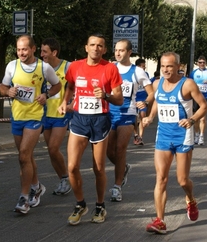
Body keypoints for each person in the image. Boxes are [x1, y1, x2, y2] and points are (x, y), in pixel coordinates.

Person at [57, 34, 123, 225]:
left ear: (104, 50)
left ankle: (100, 205)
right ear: (86, 47)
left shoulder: (110, 69)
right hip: (79, 119)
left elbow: (119, 99)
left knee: (99, 168)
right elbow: (69, 86)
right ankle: (80, 204)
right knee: (72, 167)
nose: (96, 48)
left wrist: (106, 95)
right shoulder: (75, 67)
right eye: (92, 45)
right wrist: (65, 102)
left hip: (100, 121)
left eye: (100, 46)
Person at [143, 52, 207, 234]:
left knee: (182, 180)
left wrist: (192, 120)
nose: (165, 69)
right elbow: (157, 100)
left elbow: (204, 106)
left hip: (183, 136)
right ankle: (160, 220)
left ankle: (191, 199)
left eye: (169, 66)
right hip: (163, 136)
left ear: (178, 67)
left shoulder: (187, 84)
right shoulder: (157, 83)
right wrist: (150, 117)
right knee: (161, 178)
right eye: (163, 66)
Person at [0, 35, 62, 214]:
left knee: (24, 155)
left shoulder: (44, 68)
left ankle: (24, 198)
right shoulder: (12, 65)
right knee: (25, 157)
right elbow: (2, 87)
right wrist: (7, 91)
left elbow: (57, 86)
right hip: (17, 116)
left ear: (33, 49)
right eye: (19, 50)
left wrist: (46, 95)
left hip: (35, 117)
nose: (21, 53)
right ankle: (37, 186)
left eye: (25, 49)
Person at [107, 39, 153, 202]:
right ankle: (124, 167)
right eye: (116, 50)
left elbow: (151, 92)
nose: (118, 53)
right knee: (108, 151)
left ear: (129, 52)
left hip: (128, 113)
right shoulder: (110, 68)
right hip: (110, 113)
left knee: (120, 149)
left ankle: (117, 186)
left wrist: (146, 102)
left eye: (121, 50)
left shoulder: (138, 72)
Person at [40, 38, 72, 195]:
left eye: (45, 51)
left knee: (53, 148)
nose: (42, 54)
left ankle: (66, 178)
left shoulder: (67, 67)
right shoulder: (41, 68)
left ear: (54, 52)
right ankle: (63, 179)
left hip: (61, 114)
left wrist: (69, 103)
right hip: (45, 114)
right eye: (41, 51)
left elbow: (76, 87)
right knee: (50, 151)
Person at [189, 56, 207, 145]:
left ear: (206, 63)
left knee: (203, 119)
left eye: (203, 62)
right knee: (196, 118)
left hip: (205, 97)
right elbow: (189, 84)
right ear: (197, 63)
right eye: (200, 62)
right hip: (195, 97)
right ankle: (196, 135)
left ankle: (201, 136)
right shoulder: (193, 73)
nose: (202, 64)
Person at [134, 58, 150, 146]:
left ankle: (140, 137)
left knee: (142, 117)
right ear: (138, 66)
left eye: (145, 66)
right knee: (134, 119)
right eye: (143, 66)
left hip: (143, 98)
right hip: (134, 98)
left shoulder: (146, 74)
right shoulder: (133, 73)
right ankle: (136, 134)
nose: (144, 68)